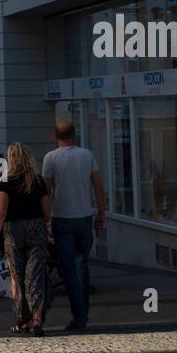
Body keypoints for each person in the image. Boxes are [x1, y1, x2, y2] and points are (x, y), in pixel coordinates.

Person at [41, 121, 106, 333]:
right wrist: (101, 212)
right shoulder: (86, 155)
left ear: (55, 136)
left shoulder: (51, 158)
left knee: (69, 269)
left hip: (62, 217)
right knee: (82, 265)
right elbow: (98, 185)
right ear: (74, 135)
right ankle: (83, 312)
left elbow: (46, 191)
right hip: (84, 216)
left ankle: (79, 316)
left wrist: (46, 219)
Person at [0, 143, 51, 336]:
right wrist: (48, 229)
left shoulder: (6, 182)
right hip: (36, 228)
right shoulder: (38, 181)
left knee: (17, 277)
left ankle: (22, 319)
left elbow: (0, 212)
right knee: (35, 275)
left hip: (13, 231)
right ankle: (37, 318)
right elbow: (47, 211)